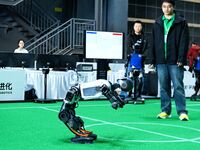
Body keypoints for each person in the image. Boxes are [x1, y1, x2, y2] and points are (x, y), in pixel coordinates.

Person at [147, 0, 189, 121]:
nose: (167, 9)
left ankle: (182, 111)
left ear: (173, 7)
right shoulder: (157, 22)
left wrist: (181, 58)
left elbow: (184, 42)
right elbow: (153, 42)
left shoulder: (181, 22)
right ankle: (165, 111)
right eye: (164, 6)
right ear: (162, 7)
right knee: (164, 87)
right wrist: (152, 59)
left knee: (178, 87)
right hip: (161, 61)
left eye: (169, 6)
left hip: (175, 60)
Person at [126, 20, 147, 102]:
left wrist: (143, 56)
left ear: (141, 27)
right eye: (136, 26)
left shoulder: (144, 37)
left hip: (141, 61)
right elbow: (128, 48)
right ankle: (129, 94)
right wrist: (132, 55)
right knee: (130, 78)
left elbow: (147, 48)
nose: (137, 28)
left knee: (141, 78)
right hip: (131, 61)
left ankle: (139, 95)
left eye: (139, 26)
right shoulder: (129, 36)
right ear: (134, 27)